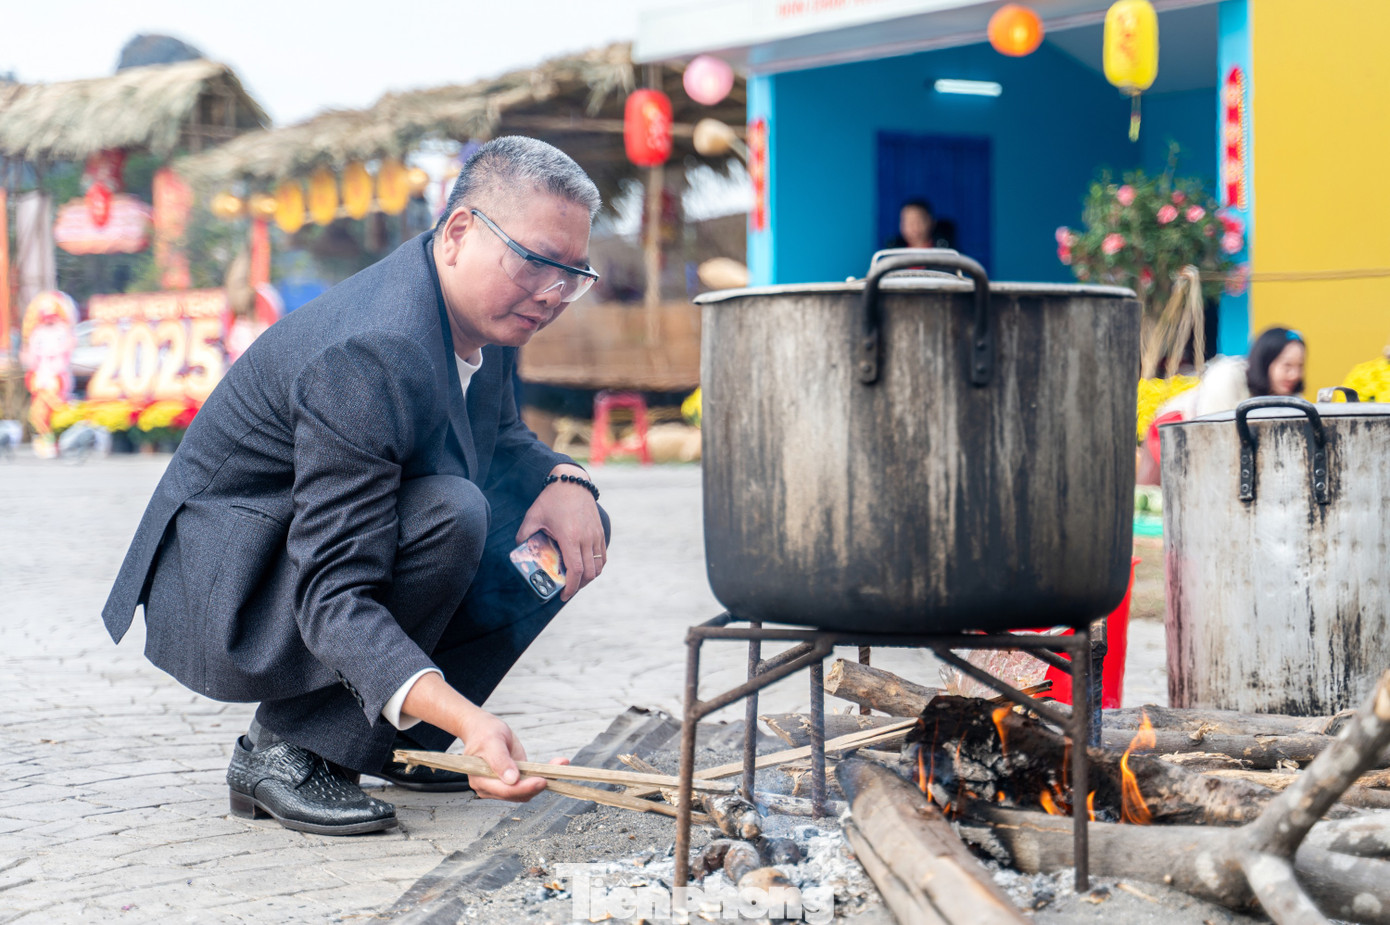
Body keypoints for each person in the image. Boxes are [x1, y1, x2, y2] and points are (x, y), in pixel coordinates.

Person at [101, 137, 610, 836]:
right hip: (236, 582)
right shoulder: (371, 353)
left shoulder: (484, 319)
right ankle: (282, 749)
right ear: (459, 233)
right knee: (453, 514)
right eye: (535, 262)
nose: (551, 294)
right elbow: (333, 595)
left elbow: (503, 436)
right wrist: (469, 718)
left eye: (572, 275)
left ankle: (398, 741)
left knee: (559, 532)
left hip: (317, 556)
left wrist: (568, 478)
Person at [1139, 326, 1307, 483]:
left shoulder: (1290, 398)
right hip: (1177, 434)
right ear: (1266, 361)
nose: (1294, 374)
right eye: (1287, 366)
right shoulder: (1227, 376)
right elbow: (1212, 434)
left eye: (1300, 366)